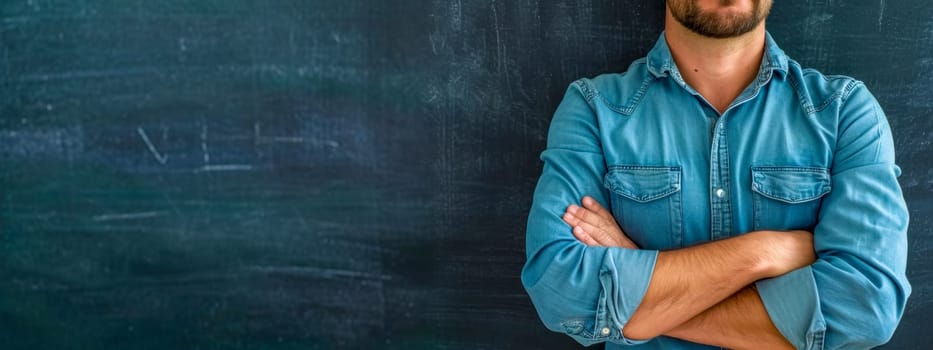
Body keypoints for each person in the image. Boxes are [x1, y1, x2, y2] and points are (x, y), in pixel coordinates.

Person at [521, 1, 911, 349]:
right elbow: (561, 292)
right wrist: (763, 253)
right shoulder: (594, 109)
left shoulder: (844, 111)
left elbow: (866, 308)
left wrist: (642, 296)